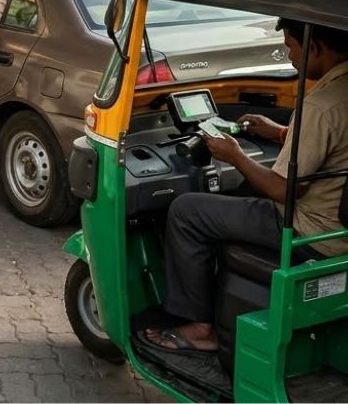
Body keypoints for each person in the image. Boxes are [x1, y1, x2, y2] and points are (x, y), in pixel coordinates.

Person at [142, 18, 348, 354]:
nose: (289, 56)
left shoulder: (320, 106)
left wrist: (234, 155)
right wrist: (280, 133)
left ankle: (199, 329)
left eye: (290, 47)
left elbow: (281, 190)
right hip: (339, 228)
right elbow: (331, 147)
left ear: (313, 48)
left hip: (311, 233)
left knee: (187, 211)